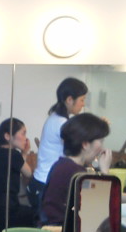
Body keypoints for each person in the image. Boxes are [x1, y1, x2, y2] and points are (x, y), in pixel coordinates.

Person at [40, 113, 126, 226]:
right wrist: (105, 171)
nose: (102, 148)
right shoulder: (74, 173)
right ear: (85, 144)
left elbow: (105, 194)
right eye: (100, 141)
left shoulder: (65, 165)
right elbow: (103, 204)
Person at [28, 77, 88, 214]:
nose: (83, 104)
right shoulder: (61, 123)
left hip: (41, 182)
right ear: (69, 100)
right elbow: (77, 150)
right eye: (82, 100)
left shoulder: (55, 118)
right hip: (45, 184)